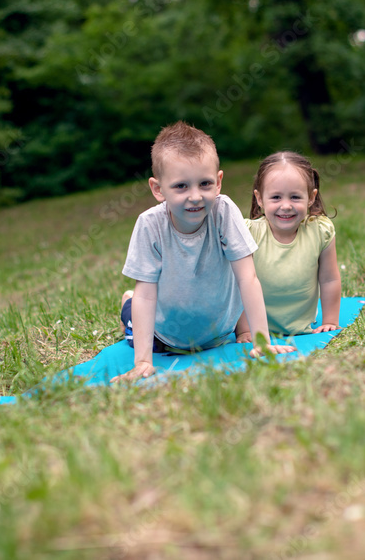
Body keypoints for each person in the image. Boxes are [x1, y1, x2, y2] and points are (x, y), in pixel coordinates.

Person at [111, 122, 296, 382]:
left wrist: (260, 340)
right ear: (157, 189)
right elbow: (147, 296)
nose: (195, 196)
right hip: (164, 336)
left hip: (219, 331)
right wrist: (142, 362)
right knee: (136, 308)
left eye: (205, 183)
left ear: (218, 182)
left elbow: (247, 278)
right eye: (181, 186)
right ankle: (125, 302)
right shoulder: (149, 225)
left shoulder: (224, 211)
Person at [236, 151, 341, 339]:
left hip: (303, 325)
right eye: (276, 197)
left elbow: (329, 280)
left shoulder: (320, 230)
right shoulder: (248, 233)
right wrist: (245, 330)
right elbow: (238, 285)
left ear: (311, 197)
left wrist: (330, 321)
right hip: (258, 327)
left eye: (295, 197)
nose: (286, 206)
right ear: (260, 199)